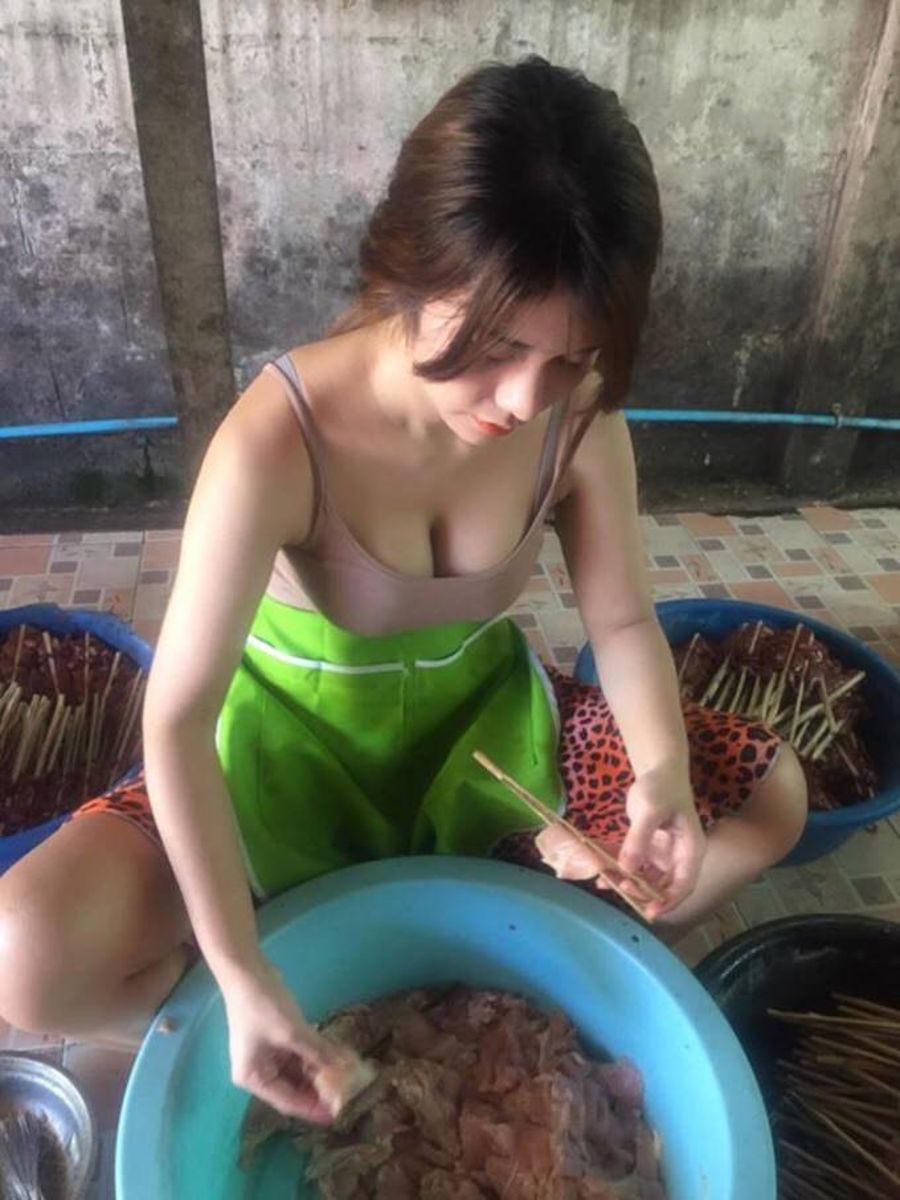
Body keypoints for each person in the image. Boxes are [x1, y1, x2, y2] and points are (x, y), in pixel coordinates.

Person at [0, 57, 806, 1120]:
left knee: (771, 797)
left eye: (569, 360)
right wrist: (238, 970)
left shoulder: (578, 419)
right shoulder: (278, 439)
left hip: (481, 741)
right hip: (280, 760)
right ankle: (277, 1017)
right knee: (24, 952)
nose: (524, 399)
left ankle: (475, 975)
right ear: (409, 268)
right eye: (497, 345)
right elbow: (180, 719)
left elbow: (619, 619)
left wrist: (658, 777)